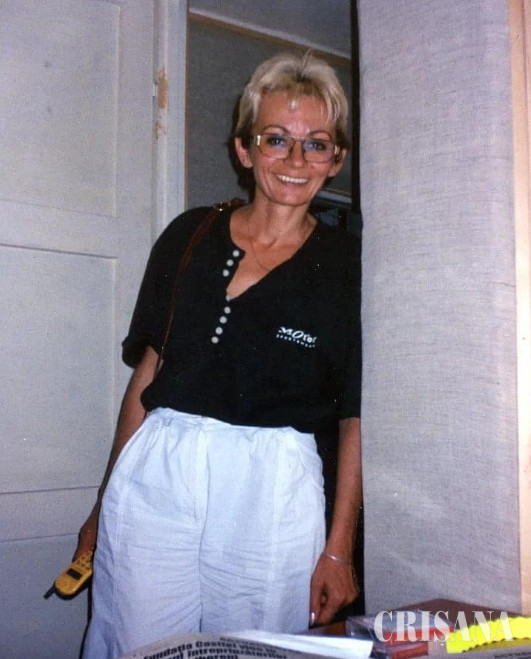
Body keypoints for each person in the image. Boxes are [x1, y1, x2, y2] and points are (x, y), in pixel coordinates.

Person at [78, 51, 362, 658]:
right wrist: (102, 507)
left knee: (252, 647)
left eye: (316, 144)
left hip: (271, 487)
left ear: (336, 159)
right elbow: (148, 377)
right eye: (276, 139)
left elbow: (355, 416)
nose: (295, 160)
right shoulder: (189, 236)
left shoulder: (350, 269)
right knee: (138, 643)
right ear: (244, 149)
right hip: (159, 473)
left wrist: (339, 549)